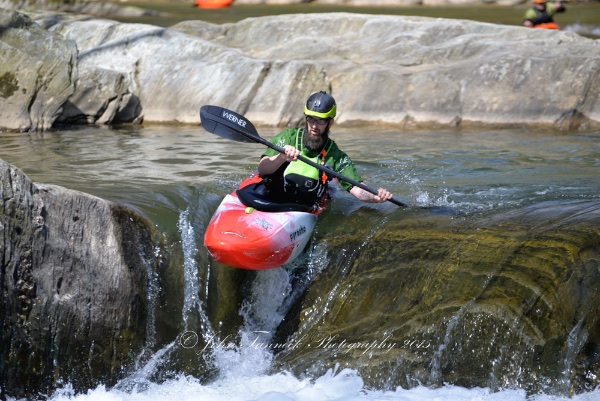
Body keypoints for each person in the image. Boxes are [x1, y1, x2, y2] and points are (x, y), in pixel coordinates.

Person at [252, 91, 393, 211]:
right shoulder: (289, 137)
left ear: (330, 123)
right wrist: (281, 157)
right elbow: (263, 169)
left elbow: (357, 189)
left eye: (320, 121)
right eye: (311, 119)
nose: (314, 126)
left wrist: (376, 197)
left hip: (303, 207)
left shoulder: (335, 155)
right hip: (275, 197)